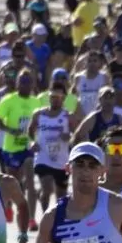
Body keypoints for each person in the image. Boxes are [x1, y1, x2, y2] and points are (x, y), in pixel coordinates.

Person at [0, 68, 44, 229]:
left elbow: (41, 124)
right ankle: (8, 206)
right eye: (22, 81)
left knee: (30, 180)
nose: (25, 84)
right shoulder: (8, 100)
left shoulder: (37, 102)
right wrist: (9, 130)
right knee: (13, 181)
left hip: (28, 146)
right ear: (17, 83)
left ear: (33, 84)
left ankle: (30, 218)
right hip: (11, 147)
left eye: (28, 81)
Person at [29, 82, 77, 211]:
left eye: (58, 97)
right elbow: (30, 131)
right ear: (49, 97)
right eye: (52, 97)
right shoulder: (38, 114)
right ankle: (45, 216)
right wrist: (32, 142)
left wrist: (69, 137)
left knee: (61, 195)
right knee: (47, 188)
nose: (55, 100)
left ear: (63, 98)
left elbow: (76, 134)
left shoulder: (68, 116)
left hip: (61, 160)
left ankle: (57, 220)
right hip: (42, 157)